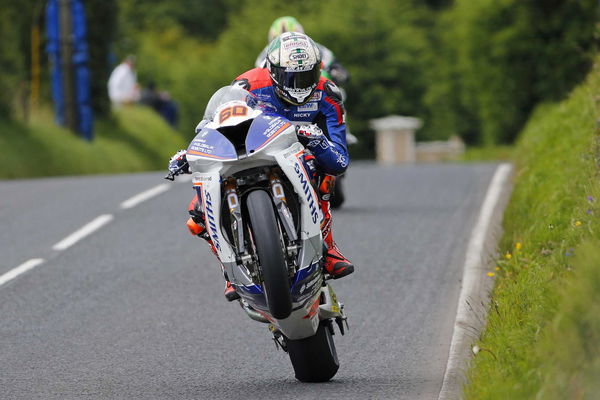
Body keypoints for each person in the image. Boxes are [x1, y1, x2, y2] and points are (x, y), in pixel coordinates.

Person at [170, 32, 355, 301]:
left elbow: (339, 161)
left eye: (307, 75)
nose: (300, 85)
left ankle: (328, 249)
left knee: (326, 179)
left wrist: (317, 141)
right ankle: (230, 269)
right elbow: (211, 123)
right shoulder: (248, 84)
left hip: (302, 154)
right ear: (273, 70)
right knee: (197, 214)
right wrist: (191, 152)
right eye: (291, 77)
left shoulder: (328, 95)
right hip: (255, 150)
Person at [254, 16, 350, 87]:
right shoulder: (264, 55)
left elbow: (342, 73)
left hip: (318, 94)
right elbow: (258, 79)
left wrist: (335, 73)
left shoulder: (316, 48)